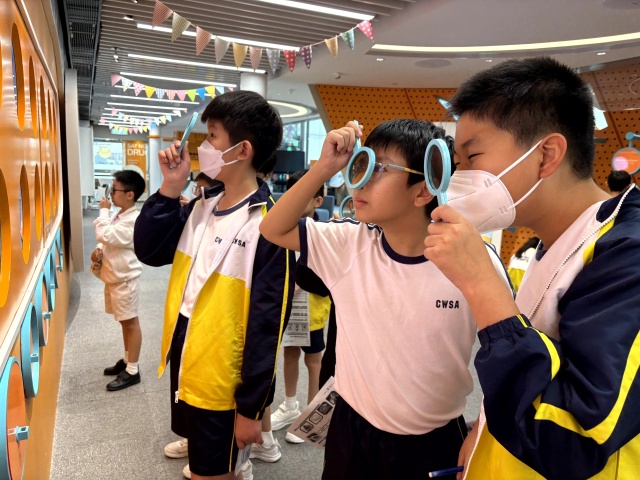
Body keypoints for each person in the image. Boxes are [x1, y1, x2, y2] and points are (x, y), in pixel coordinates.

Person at [423, 57, 640, 480]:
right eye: (456, 162)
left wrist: (482, 284)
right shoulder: (556, 240)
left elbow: (574, 440)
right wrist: (483, 429)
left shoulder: (627, 254)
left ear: (547, 155)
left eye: (473, 156)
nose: (459, 178)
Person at [260, 119, 509, 479]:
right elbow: (272, 228)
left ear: (422, 192)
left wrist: (481, 430)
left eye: (378, 169)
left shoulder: (473, 262)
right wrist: (325, 167)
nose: (359, 180)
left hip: (433, 442)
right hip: (351, 430)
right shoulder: (349, 244)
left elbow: (506, 361)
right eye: (361, 164)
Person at [134, 90, 295, 480]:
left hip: (226, 376)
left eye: (212, 136)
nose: (202, 147)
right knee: (204, 459)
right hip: (189, 351)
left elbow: (268, 325)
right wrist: (170, 189)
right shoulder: (202, 205)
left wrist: (251, 408)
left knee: (216, 471)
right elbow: (149, 250)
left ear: (242, 150)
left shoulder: (269, 225)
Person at [251, 170, 332, 463]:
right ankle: (290, 404)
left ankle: (311, 412)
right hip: (288, 304)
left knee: (313, 358)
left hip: (311, 305)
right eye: (291, 192)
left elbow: (326, 272)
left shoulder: (323, 231)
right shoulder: (285, 227)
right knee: (289, 351)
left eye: (304, 193)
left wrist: (301, 283)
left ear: (318, 200)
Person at [92, 169, 146, 391]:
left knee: (131, 323)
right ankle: (126, 359)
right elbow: (107, 239)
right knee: (124, 322)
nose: (110, 194)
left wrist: (103, 212)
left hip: (125, 280)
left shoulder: (133, 220)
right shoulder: (120, 214)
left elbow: (105, 233)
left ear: (130, 195)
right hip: (115, 277)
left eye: (114, 190)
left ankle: (133, 369)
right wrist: (99, 249)